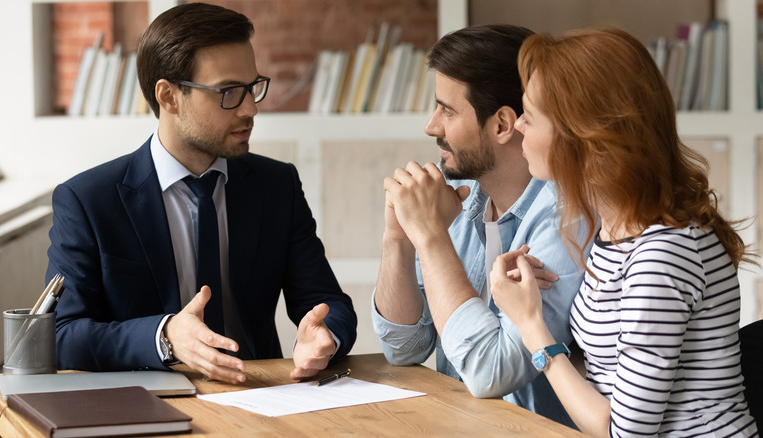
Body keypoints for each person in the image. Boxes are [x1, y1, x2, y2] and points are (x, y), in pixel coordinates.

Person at [46, 2, 357, 384]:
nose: (249, 109)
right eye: (228, 92)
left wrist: (326, 336)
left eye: (251, 88)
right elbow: (62, 335)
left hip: (262, 396)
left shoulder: (277, 185)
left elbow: (328, 302)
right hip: (146, 403)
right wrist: (164, 337)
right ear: (168, 96)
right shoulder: (88, 201)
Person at [490, 28, 758, 437]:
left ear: (584, 138)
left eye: (530, 115)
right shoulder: (616, 231)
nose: (519, 126)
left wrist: (530, 325)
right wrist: (534, 306)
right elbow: (604, 378)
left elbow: (625, 432)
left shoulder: (664, 253)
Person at [372, 24, 585, 426]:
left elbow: (494, 373)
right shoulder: (460, 194)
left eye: (447, 110)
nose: (431, 127)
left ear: (503, 124)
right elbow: (405, 347)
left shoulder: (565, 218)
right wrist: (398, 238)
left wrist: (431, 238)